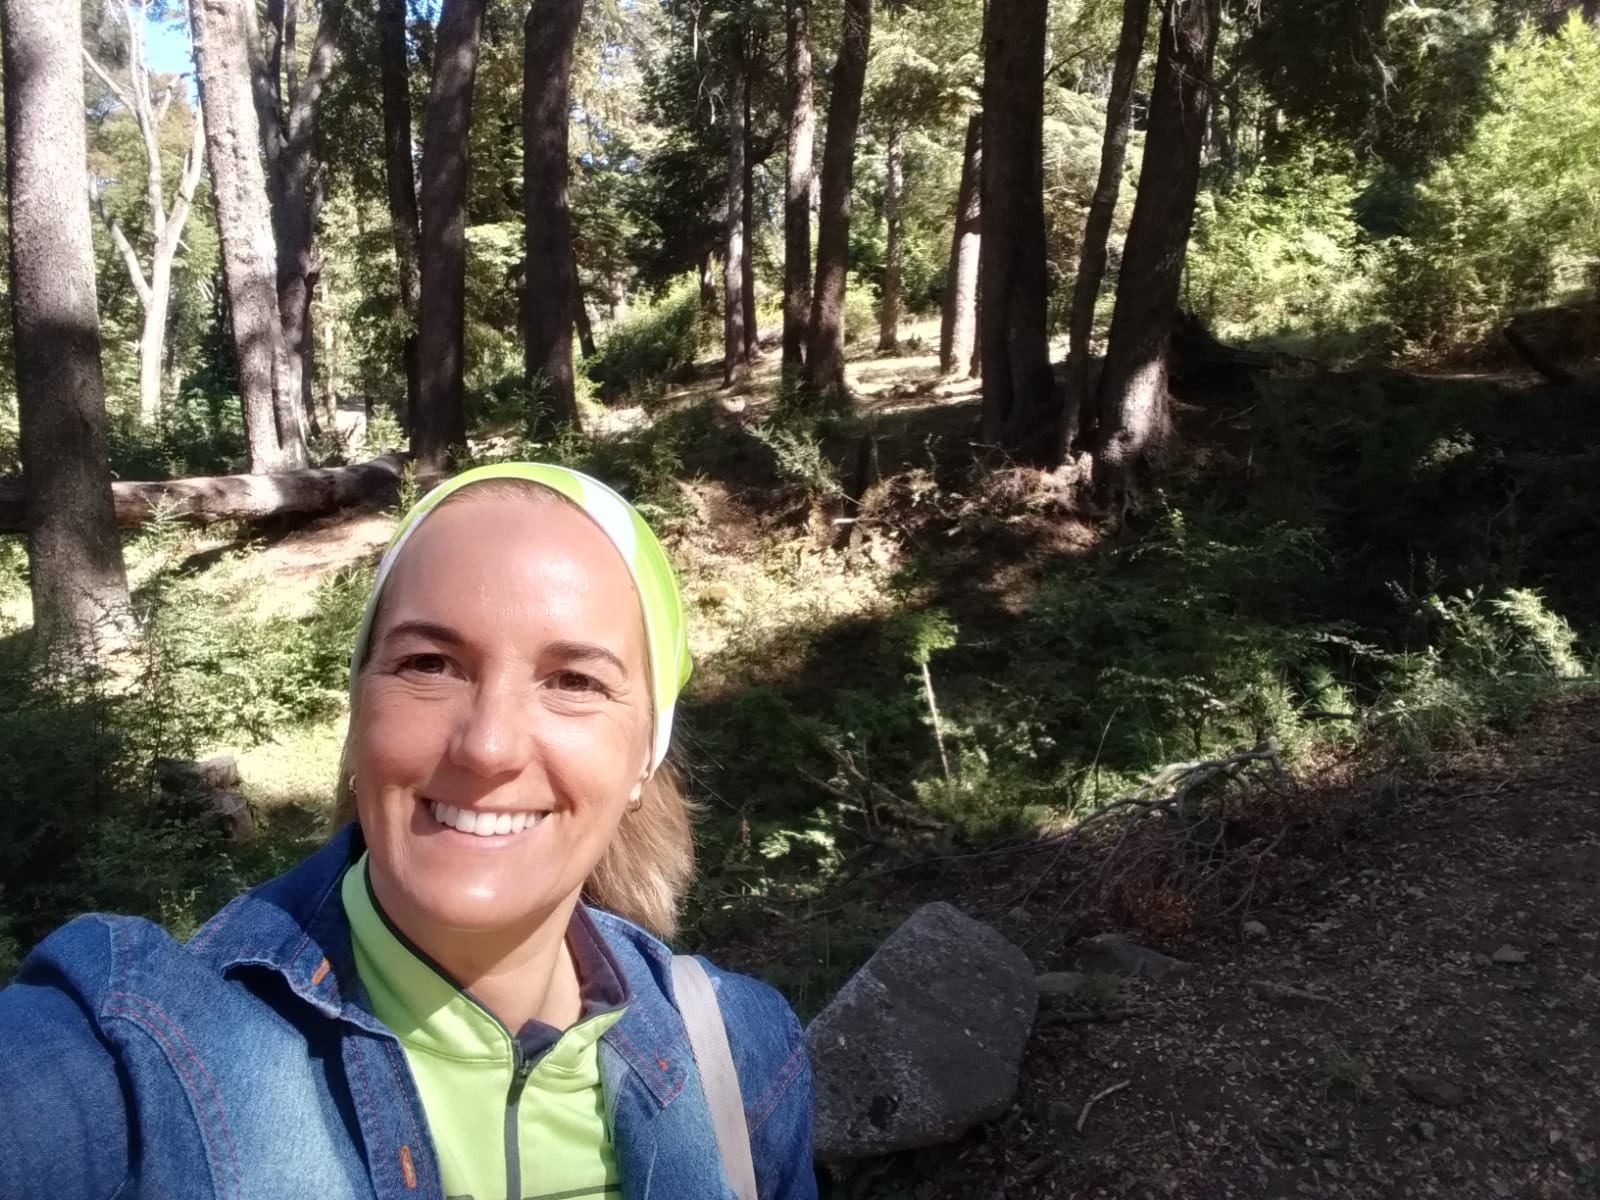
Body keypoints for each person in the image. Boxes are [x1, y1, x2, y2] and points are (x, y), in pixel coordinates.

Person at [0, 463, 818, 1200]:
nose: (489, 745)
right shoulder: (136, 1055)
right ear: (360, 713)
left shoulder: (742, 1055)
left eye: (574, 681)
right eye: (430, 664)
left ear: (646, 754)